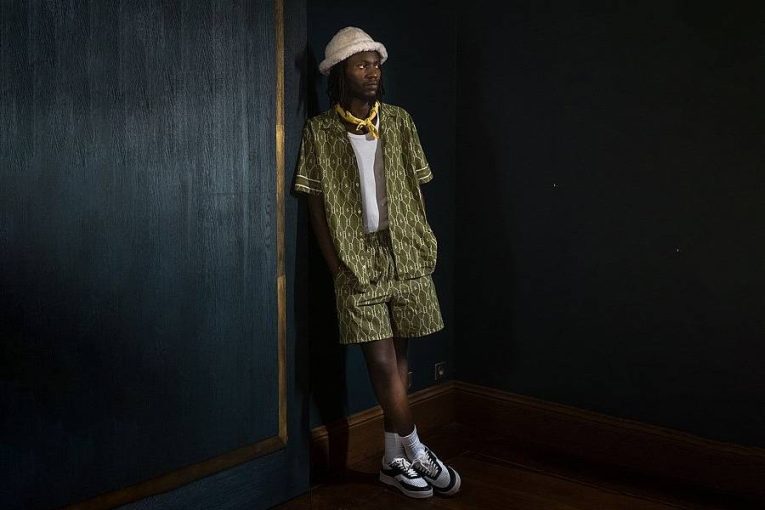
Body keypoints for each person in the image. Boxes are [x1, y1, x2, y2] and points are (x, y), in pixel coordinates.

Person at [294, 26, 461, 499]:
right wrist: (336, 266)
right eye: (361, 65)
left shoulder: (400, 122)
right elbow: (315, 206)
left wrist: (423, 241)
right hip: (356, 261)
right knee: (383, 362)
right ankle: (416, 449)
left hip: (405, 252)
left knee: (400, 362)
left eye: (375, 64)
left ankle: (392, 461)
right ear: (339, 73)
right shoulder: (320, 132)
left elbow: (418, 189)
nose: (372, 73)